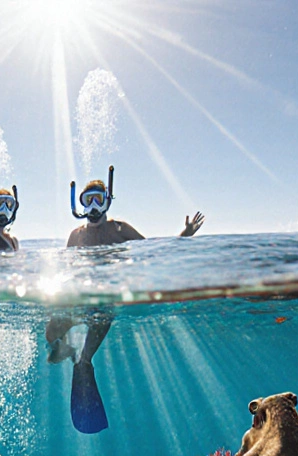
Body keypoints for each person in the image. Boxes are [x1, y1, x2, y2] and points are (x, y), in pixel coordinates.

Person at [48, 167, 205, 433]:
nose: (94, 206)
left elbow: (152, 252)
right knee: (51, 340)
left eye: (99, 199)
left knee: (90, 346)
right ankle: (71, 351)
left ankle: (83, 359)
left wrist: (184, 235)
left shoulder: (119, 228)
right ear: (81, 205)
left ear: (108, 200)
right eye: (88, 200)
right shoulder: (75, 235)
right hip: (80, 299)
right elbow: (66, 269)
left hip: (106, 302)